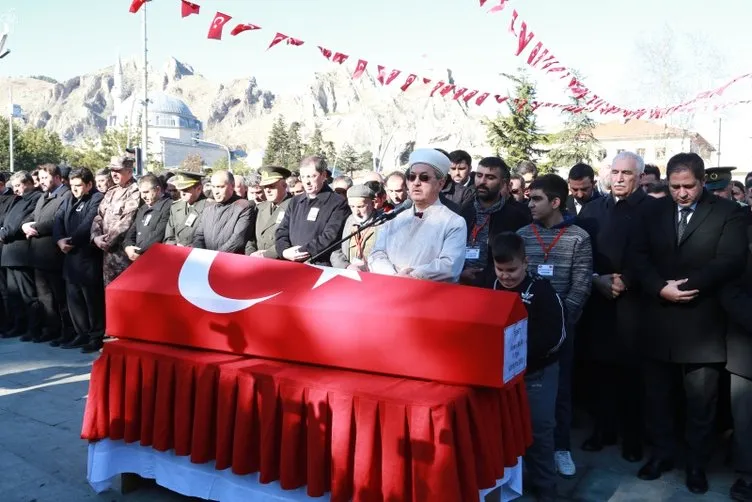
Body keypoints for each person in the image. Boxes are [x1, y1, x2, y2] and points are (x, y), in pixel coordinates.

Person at [631, 152, 747, 494]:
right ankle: (662, 454)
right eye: (675, 186)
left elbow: (729, 260)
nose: (681, 193)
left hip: (702, 324)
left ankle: (697, 464)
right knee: (658, 398)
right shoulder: (651, 211)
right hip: (658, 319)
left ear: (702, 181)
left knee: (701, 404)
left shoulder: (728, 213)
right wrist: (659, 288)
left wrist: (684, 287)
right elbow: (638, 256)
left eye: (688, 186)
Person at [576, 151, 660, 462]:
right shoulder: (593, 211)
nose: (620, 178)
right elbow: (582, 254)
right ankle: (602, 430)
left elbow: (657, 254)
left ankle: (633, 437)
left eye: (627, 173)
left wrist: (629, 280)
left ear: (639, 177)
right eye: (616, 172)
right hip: (600, 301)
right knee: (599, 370)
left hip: (636, 304)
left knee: (633, 375)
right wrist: (597, 279)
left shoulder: (655, 210)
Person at [517, 173, 593, 479]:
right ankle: (522, 446)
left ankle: (561, 447)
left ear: (556, 202)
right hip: (524, 328)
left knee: (560, 390)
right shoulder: (522, 234)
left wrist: (561, 323)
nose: (530, 205)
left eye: (536, 199)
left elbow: (582, 284)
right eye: (529, 199)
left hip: (562, 330)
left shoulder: (578, 237)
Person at [486, 232, 566, 502]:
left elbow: (556, 337)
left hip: (537, 373)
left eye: (512, 270)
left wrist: (520, 355)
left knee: (538, 429)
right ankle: (506, 482)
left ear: (526, 262)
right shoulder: (489, 285)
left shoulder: (543, 291)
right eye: (500, 270)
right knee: (502, 429)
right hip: (499, 375)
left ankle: (546, 488)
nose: (506, 276)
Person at [368, 148, 467, 282]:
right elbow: (376, 254)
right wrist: (394, 277)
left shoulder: (454, 222)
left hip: (429, 295)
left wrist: (413, 276)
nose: (416, 182)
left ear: (441, 183)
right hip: (390, 285)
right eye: (411, 177)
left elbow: (449, 266)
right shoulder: (393, 216)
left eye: (424, 177)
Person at [53, 168, 105, 352]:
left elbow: (89, 223)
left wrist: (71, 241)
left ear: (89, 184)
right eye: (72, 185)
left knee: (91, 299)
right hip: (69, 256)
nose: (74, 189)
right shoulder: (68, 198)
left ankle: (95, 336)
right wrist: (59, 240)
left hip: (87, 256)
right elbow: (58, 219)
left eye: (78, 186)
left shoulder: (96, 198)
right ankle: (81, 333)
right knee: (74, 298)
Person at [460, 156, 531, 285]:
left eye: (490, 177)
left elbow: (517, 258)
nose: (482, 181)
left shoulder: (516, 217)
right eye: (479, 175)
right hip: (460, 281)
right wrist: (459, 272)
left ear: (503, 183)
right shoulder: (463, 211)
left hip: (496, 285)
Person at [22, 164, 72, 343]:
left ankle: (65, 331)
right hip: (38, 254)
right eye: (40, 178)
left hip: (54, 255)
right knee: (45, 297)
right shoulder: (44, 196)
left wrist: (35, 227)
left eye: (45, 178)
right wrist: (25, 225)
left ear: (57, 177)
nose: (41, 182)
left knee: (59, 296)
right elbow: (33, 216)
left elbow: (57, 220)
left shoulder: (65, 194)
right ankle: (51, 328)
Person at [275, 156, 350, 266]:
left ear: (323, 175)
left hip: (319, 264)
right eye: (304, 177)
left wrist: (301, 252)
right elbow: (282, 230)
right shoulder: (295, 201)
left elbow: (330, 236)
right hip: (290, 262)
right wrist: (284, 251)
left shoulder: (337, 203)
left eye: (311, 176)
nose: (307, 182)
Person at [0, 172, 43, 339]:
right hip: (9, 252)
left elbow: (19, 223)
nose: (16, 189)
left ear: (29, 183)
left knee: (27, 294)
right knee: (13, 295)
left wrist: (4, 232)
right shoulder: (17, 200)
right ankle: (19, 325)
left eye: (19, 185)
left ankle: (33, 328)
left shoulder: (35, 198)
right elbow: (7, 221)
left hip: (21, 252)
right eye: (15, 186)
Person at [90, 156, 141, 285]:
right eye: (112, 170)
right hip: (107, 256)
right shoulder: (111, 191)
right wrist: (96, 237)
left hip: (122, 255)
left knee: (124, 294)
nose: (114, 174)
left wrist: (107, 241)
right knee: (109, 293)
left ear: (129, 171)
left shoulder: (135, 191)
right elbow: (98, 216)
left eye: (118, 170)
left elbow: (127, 221)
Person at [192, 170, 252, 253]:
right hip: (206, 261)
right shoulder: (208, 208)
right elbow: (199, 236)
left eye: (220, 187)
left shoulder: (244, 207)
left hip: (228, 261)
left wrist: (215, 257)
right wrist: (202, 254)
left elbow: (237, 240)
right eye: (213, 187)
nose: (216, 192)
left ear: (232, 186)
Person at [330, 184, 381, 270]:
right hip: (350, 274)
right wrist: (347, 266)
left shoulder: (384, 223)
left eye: (360, 207)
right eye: (352, 206)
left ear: (373, 203)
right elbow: (335, 250)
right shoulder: (349, 220)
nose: (356, 212)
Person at [123, 174, 171, 263]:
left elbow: (158, 234)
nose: (143, 196)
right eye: (141, 192)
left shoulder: (169, 206)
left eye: (146, 192)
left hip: (155, 258)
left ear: (157, 189)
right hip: (137, 258)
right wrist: (128, 246)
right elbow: (131, 232)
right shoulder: (143, 208)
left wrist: (138, 251)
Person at [246, 166, 292, 258]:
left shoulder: (293, 206)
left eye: (272, 186)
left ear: (284, 185)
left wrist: (266, 255)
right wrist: (251, 252)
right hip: (256, 261)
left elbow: (292, 238)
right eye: (265, 187)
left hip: (278, 262)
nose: (267, 190)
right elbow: (251, 237)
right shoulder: (260, 207)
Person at [163, 167, 210, 247]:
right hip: (176, 253)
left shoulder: (209, 208)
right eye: (180, 190)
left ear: (198, 189)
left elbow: (209, 239)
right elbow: (169, 237)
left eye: (186, 190)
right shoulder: (175, 207)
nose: (182, 193)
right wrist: (174, 247)